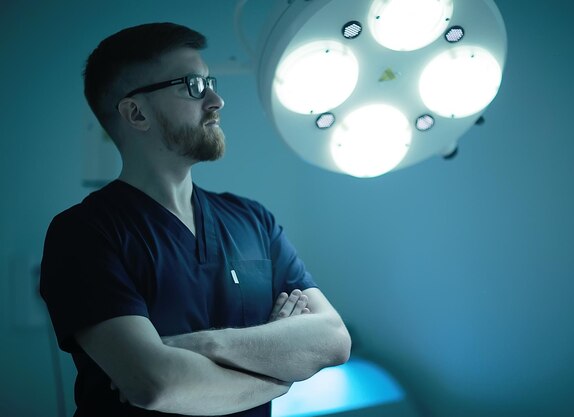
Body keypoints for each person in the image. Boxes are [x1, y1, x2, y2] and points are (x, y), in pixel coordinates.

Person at [39, 22, 351, 417]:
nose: (217, 100)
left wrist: (204, 346)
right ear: (136, 113)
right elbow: (156, 385)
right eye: (193, 86)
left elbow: (333, 340)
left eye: (210, 82)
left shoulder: (254, 220)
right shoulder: (85, 234)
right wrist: (282, 374)